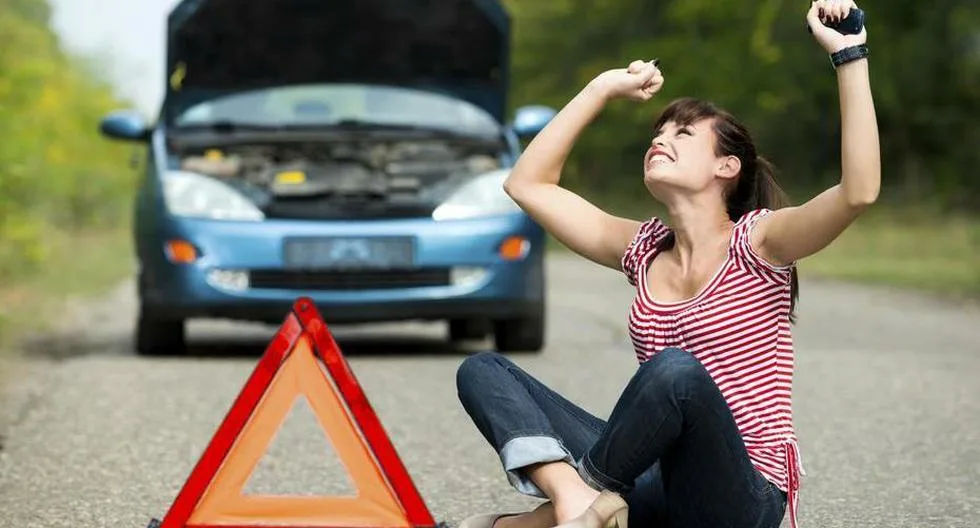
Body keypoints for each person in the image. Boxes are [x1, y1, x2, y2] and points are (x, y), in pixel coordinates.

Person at [455, 1, 879, 528]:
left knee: (675, 371)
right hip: (656, 485)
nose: (660, 139)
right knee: (484, 370)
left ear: (728, 166)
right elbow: (526, 185)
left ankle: (539, 522)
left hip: (742, 498)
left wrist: (849, 55)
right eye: (658, 132)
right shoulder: (644, 248)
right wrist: (602, 89)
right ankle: (574, 506)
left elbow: (859, 192)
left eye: (683, 134)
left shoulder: (761, 243)